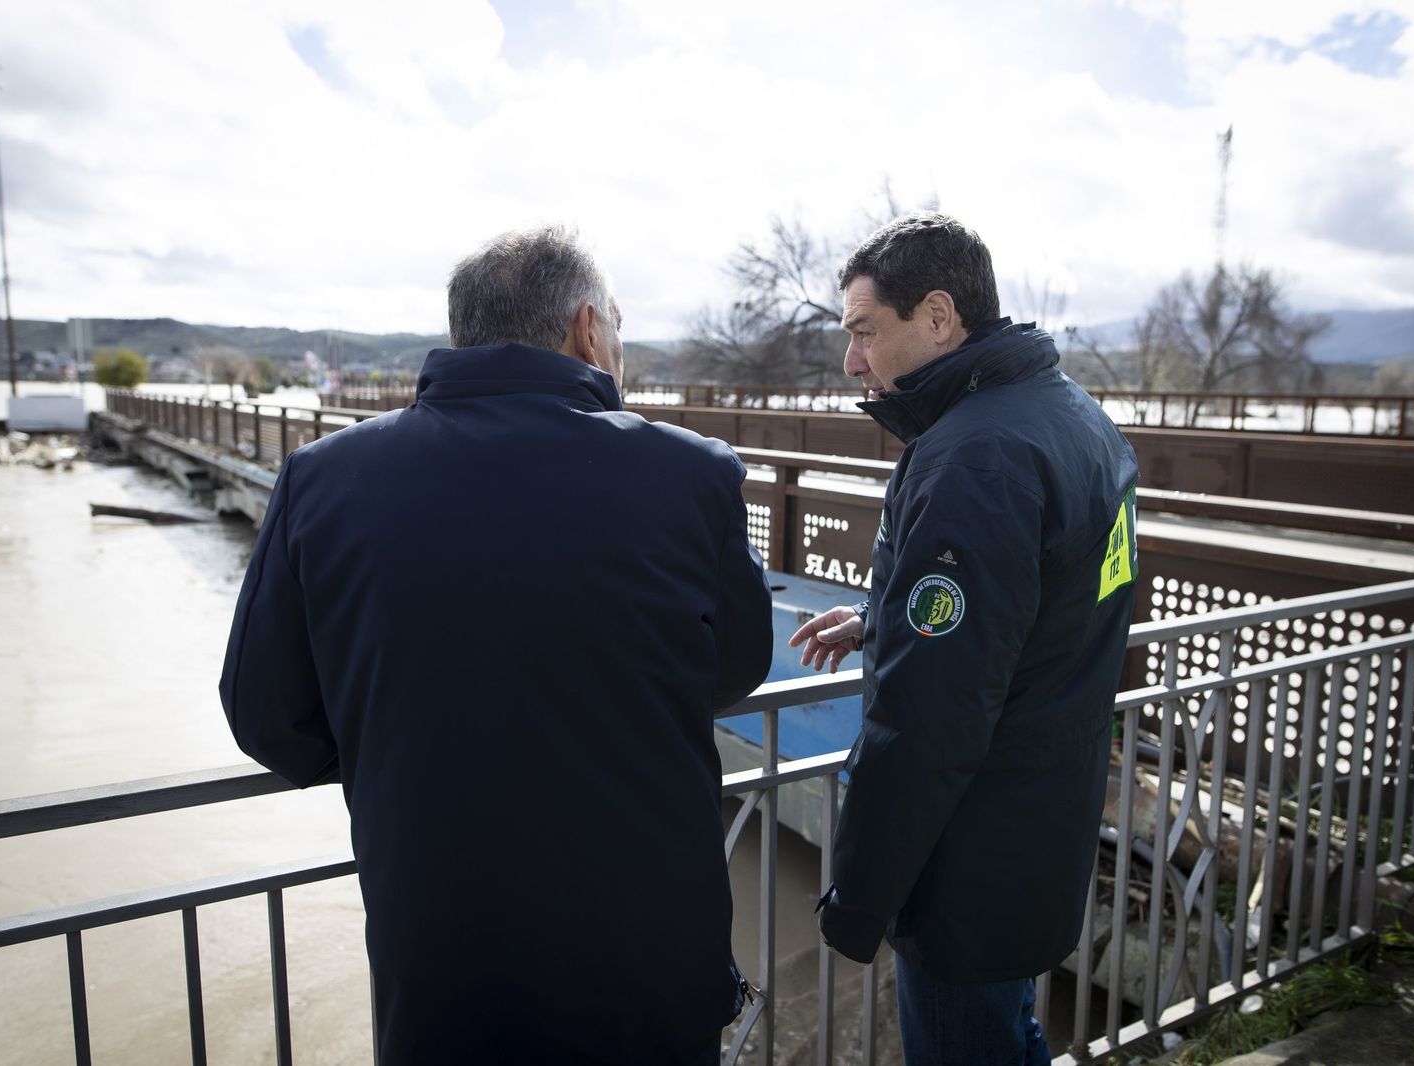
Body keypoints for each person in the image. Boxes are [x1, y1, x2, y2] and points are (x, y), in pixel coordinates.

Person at [221, 225, 773, 1065]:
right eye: (619, 330)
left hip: (442, 953)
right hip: (646, 956)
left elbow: (266, 717)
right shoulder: (693, 474)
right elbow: (736, 664)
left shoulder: (324, 477)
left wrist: (402, 743)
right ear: (589, 329)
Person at [790, 212, 1139, 1065]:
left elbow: (930, 718)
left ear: (939, 317)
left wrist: (860, 897)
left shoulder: (975, 459)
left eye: (865, 332)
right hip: (1040, 822)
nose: (852, 361)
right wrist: (887, 616)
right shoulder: (1074, 417)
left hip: (967, 853)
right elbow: (1039, 602)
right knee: (1012, 1032)